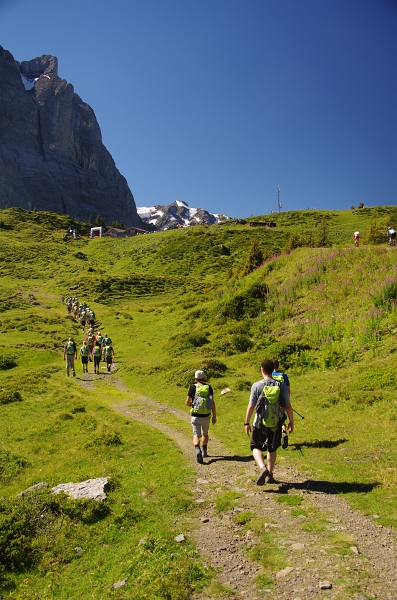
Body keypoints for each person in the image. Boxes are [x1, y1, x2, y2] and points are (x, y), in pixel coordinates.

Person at [244, 359, 293, 485]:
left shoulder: (256, 385)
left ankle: (262, 468)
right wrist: (291, 422)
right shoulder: (280, 385)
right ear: (273, 370)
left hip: (259, 423)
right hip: (276, 422)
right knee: (272, 449)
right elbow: (287, 405)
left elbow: (251, 406)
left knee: (255, 446)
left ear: (262, 370)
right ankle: (270, 474)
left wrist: (247, 422)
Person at [185, 370, 217, 463]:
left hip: (195, 415)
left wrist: (192, 405)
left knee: (196, 435)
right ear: (204, 378)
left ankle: (197, 449)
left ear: (195, 378)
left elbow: (187, 402)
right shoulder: (209, 388)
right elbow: (212, 403)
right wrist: (214, 416)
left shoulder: (192, 387)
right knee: (205, 433)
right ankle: (204, 451)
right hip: (206, 415)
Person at [272, 359, 290, 449]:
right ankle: (283, 431)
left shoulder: (269, 376)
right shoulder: (284, 376)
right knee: (281, 418)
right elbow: (288, 390)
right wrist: (287, 401)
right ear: (278, 366)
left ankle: (275, 439)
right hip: (282, 401)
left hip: (272, 401)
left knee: (273, 419)